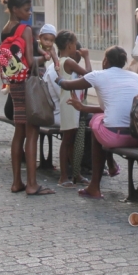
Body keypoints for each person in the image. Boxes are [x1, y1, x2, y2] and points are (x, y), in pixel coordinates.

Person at [56, 46, 138, 200]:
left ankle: (95, 186)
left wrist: (58, 76)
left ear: (105, 61)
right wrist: (83, 107)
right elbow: (113, 107)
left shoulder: (98, 75)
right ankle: (110, 165)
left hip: (115, 137)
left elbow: (67, 85)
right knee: (102, 119)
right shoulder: (135, 77)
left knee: (96, 121)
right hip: (137, 136)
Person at [0, 0, 54, 196]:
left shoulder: (6, 29)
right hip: (28, 84)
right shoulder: (25, 29)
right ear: (15, 9)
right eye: (25, 9)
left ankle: (16, 182)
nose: (29, 12)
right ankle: (32, 184)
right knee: (32, 132)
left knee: (19, 132)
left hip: (14, 82)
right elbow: (31, 61)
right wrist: (45, 57)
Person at [47, 31, 92, 187]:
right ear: (69, 45)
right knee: (67, 140)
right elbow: (89, 75)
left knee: (71, 140)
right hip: (68, 104)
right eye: (75, 43)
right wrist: (86, 57)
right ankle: (64, 176)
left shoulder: (62, 61)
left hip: (71, 102)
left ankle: (75, 173)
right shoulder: (68, 62)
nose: (76, 47)